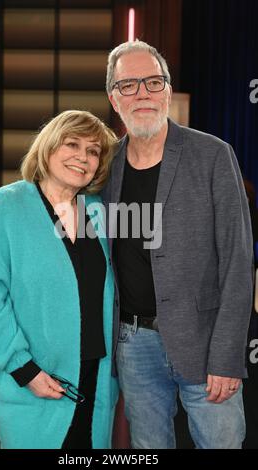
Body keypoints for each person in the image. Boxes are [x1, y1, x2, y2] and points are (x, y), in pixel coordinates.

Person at [102, 40, 254, 449]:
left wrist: (227, 357)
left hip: (206, 343)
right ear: (115, 99)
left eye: (153, 81)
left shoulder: (213, 155)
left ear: (167, 90)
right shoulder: (106, 167)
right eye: (129, 85)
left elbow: (239, 263)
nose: (143, 93)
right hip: (133, 346)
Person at [0, 110, 119, 449]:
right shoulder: (6, 206)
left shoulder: (98, 210)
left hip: (96, 377)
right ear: (49, 147)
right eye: (72, 144)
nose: (83, 157)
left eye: (93, 151)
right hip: (36, 379)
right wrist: (25, 370)